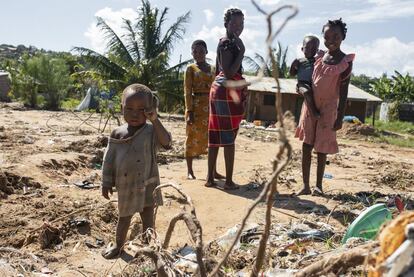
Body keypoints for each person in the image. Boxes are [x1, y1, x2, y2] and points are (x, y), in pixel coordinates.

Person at [101, 84, 171, 259]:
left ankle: (150, 247)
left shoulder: (151, 131)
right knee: (124, 216)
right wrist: (106, 182)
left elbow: (167, 143)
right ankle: (118, 244)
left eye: (141, 110)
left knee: (148, 217)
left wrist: (155, 120)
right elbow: (108, 160)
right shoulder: (117, 133)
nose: (134, 113)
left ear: (149, 110)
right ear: (121, 107)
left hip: (148, 183)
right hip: (126, 185)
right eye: (129, 108)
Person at [295, 19, 355, 195]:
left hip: (329, 109)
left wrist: (340, 117)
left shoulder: (345, 62)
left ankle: (318, 186)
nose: (331, 40)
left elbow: (343, 92)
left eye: (336, 36)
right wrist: (300, 86)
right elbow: (304, 75)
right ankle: (305, 185)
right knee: (306, 145)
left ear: (343, 37)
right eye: (327, 36)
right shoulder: (318, 57)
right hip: (310, 105)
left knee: (321, 149)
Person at [205, 8, 248, 190]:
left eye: (241, 24)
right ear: (226, 24)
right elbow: (229, 72)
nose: (238, 27)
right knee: (228, 136)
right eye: (234, 24)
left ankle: (210, 177)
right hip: (225, 91)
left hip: (220, 90)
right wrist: (242, 50)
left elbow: (221, 71)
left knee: (216, 133)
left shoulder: (228, 43)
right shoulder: (228, 43)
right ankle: (228, 181)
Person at [184, 40, 223, 180]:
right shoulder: (191, 69)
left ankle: (213, 171)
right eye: (195, 51)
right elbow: (187, 92)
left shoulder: (214, 69)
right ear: (192, 53)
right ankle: (190, 171)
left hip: (212, 108)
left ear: (206, 52)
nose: (198, 54)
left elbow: (219, 88)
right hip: (196, 107)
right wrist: (189, 111)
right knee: (191, 138)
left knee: (212, 140)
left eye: (201, 51)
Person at [290, 35, 321, 119]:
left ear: (317, 50)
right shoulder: (299, 61)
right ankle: (314, 113)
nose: (310, 50)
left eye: (313, 48)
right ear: (302, 49)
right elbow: (292, 74)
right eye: (307, 47)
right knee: (307, 92)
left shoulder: (317, 61)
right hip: (302, 83)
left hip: (313, 83)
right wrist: (293, 66)